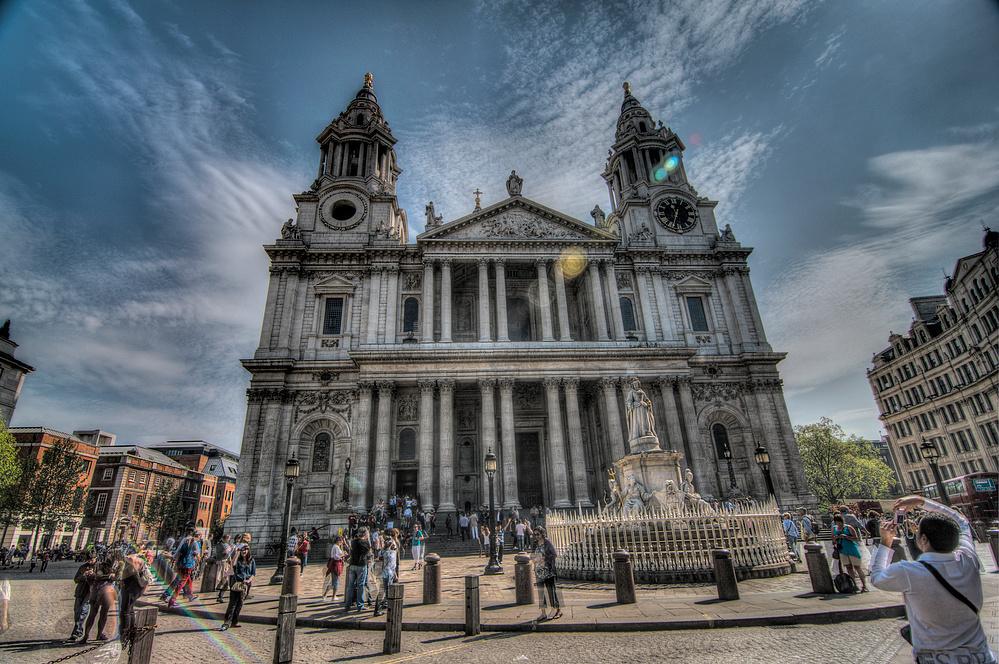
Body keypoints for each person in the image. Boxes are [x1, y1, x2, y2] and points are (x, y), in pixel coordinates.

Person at [871, 495, 996, 664]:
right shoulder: (968, 559)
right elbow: (961, 521)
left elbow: (877, 577)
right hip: (982, 658)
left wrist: (886, 543)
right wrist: (921, 501)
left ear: (923, 539)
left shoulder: (908, 571)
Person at [832, 513, 868, 592]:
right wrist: (836, 538)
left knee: (857, 567)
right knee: (849, 568)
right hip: (842, 550)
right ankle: (853, 585)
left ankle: (864, 585)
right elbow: (833, 540)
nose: (838, 524)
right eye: (837, 522)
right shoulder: (834, 528)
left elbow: (855, 538)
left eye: (840, 522)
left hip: (852, 549)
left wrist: (845, 537)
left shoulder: (849, 527)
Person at [221, 547, 255, 630]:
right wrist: (237, 553)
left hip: (245, 585)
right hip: (236, 584)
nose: (244, 551)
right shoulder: (238, 560)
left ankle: (234, 622)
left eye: (246, 550)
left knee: (240, 604)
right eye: (243, 550)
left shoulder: (251, 561)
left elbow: (253, 573)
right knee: (232, 603)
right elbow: (232, 564)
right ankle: (226, 623)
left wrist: (248, 581)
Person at [532, 527, 561, 621]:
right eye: (535, 534)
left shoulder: (547, 542)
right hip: (538, 571)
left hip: (548, 570)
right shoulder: (535, 544)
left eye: (538, 534)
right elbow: (533, 555)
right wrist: (534, 559)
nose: (536, 536)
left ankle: (557, 610)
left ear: (542, 534)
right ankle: (543, 613)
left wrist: (544, 558)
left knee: (551, 591)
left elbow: (554, 554)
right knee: (541, 592)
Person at [66, 551, 96, 643]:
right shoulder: (82, 567)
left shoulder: (98, 567)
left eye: (91, 559)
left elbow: (100, 578)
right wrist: (83, 576)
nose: (90, 561)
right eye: (88, 560)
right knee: (77, 612)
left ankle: (76, 633)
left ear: (95, 558)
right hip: (80, 591)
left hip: (90, 593)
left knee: (83, 611)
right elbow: (76, 579)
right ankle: (78, 631)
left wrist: (93, 575)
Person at [343, 529, 370, 612]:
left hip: (352, 564)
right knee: (360, 585)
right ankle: (360, 605)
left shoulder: (353, 542)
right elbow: (368, 552)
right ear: (365, 534)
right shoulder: (365, 542)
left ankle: (347, 605)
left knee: (350, 586)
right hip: (361, 565)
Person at [373, 537, 397, 617]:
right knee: (388, 591)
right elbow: (393, 566)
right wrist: (395, 574)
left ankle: (377, 609)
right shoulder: (391, 553)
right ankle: (388, 607)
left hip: (382, 573)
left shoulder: (381, 552)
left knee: (381, 592)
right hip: (388, 573)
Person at [323, 536, 346, 601]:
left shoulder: (336, 547)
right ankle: (334, 596)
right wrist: (342, 556)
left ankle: (325, 594)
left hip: (334, 564)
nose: (341, 542)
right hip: (336, 564)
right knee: (336, 580)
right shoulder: (336, 547)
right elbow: (336, 556)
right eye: (341, 541)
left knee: (333, 581)